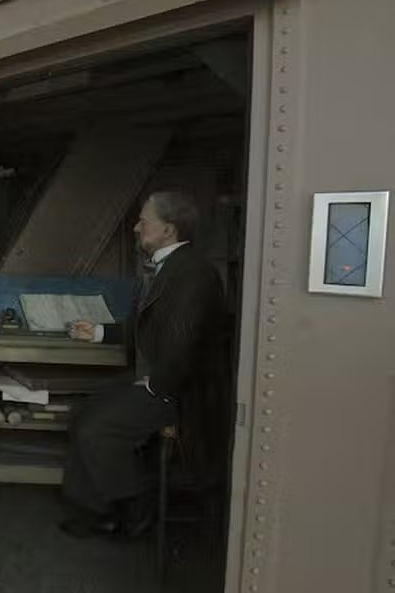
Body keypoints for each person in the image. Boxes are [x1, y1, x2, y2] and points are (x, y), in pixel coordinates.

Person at [61, 191, 225, 538]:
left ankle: (137, 504)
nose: (136, 228)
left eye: (143, 221)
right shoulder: (171, 267)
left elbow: (184, 344)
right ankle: (98, 509)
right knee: (82, 413)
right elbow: (152, 328)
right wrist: (99, 332)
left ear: (168, 230)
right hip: (159, 382)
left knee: (96, 428)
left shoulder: (193, 274)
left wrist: (154, 387)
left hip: (177, 394)